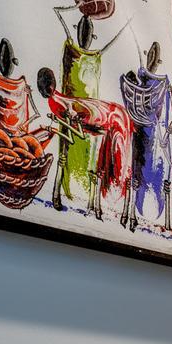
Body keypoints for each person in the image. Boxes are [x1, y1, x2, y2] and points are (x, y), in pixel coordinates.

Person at [51, 3, 130, 212]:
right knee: (67, 153)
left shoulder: (96, 56)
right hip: (69, 111)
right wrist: (76, 6)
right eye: (81, 29)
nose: (83, 34)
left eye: (87, 31)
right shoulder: (70, 49)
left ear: (93, 36)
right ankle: (63, 192)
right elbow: (57, 13)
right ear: (76, 29)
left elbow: (114, 38)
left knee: (89, 156)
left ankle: (87, 200)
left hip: (91, 115)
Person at [38, 67, 133, 226]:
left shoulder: (57, 103)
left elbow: (77, 132)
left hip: (104, 118)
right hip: (98, 119)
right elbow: (74, 128)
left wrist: (54, 129)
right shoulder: (56, 101)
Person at [120, 41, 172, 231]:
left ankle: (132, 212)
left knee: (138, 171)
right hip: (147, 135)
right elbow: (165, 118)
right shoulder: (160, 86)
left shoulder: (143, 85)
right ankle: (132, 212)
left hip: (142, 133)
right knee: (140, 172)